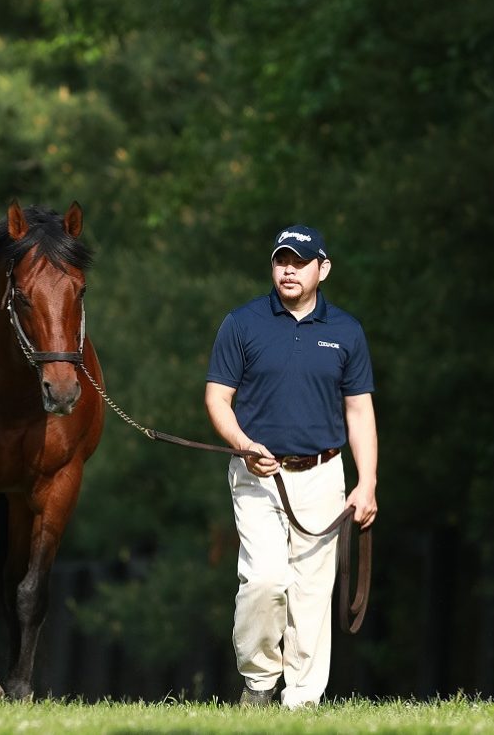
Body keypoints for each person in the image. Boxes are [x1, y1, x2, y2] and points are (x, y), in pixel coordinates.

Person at [205, 223, 377, 707]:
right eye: (282, 260)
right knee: (263, 579)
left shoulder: (346, 331)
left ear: (322, 269)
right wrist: (242, 443)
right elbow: (218, 398)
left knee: (311, 593)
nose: (289, 269)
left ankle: (301, 701)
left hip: (324, 474)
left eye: (300, 262)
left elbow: (360, 412)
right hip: (257, 473)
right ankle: (259, 683)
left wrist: (367, 484)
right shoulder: (242, 323)